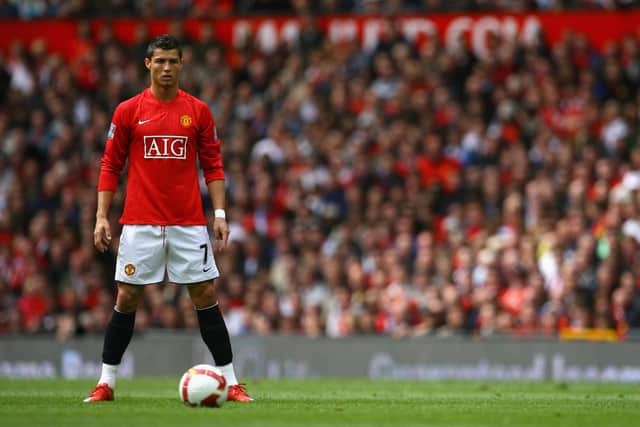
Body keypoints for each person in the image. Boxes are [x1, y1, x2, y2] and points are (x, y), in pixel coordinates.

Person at [84, 34, 253, 403]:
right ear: (148, 64)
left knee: (205, 293)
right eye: (159, 61)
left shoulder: (198, 111)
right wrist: (101, 216)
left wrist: (220, 214)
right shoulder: (128, 111)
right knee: (126, 297)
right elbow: (111, 164)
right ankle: (106, 383)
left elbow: (214, 165)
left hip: (188, 223)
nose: (166, 68)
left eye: (172, 61)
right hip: (139, 223)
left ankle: (232, 381)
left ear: (181, 64)